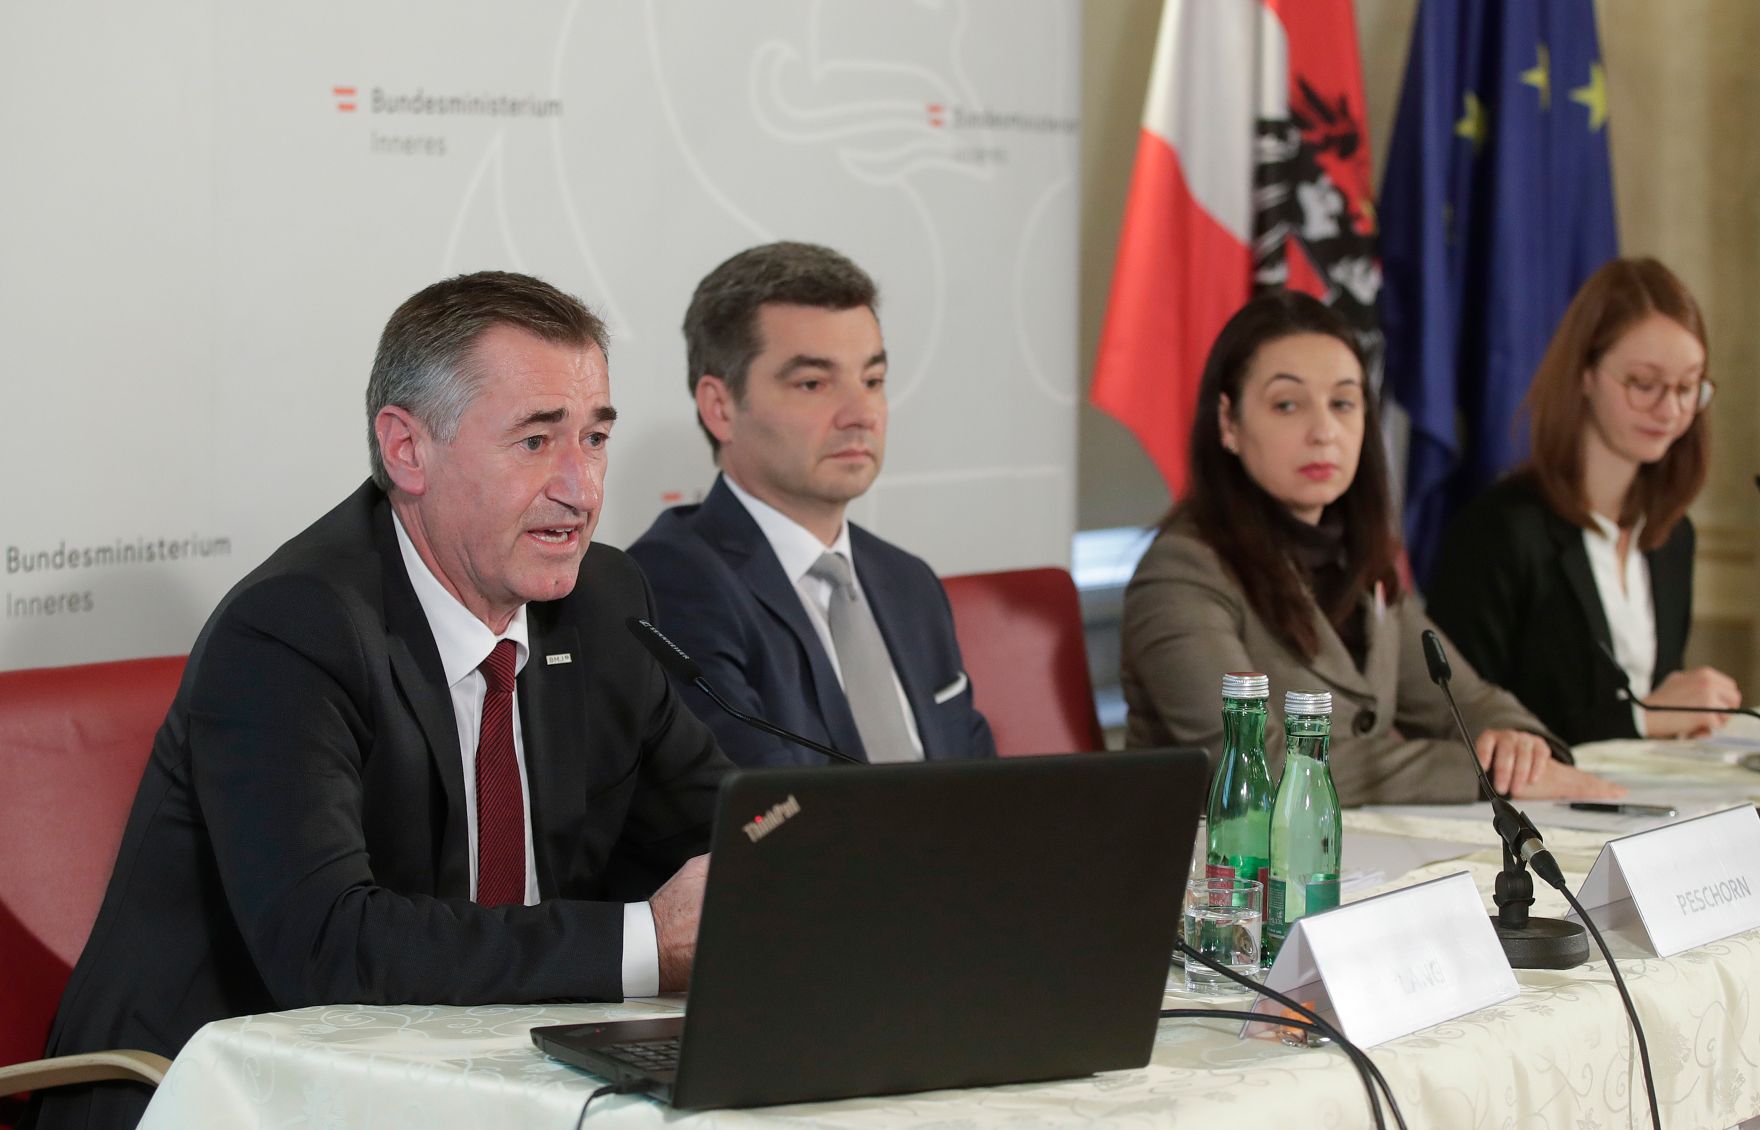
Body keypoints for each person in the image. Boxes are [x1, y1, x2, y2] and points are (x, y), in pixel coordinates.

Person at [31, 272, 730, 1130]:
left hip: (483, 1075)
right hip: (216, 1089)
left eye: (593, 438)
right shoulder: (293, 629)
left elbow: (724, 832)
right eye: (535, 442)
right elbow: (327, 945)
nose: (581, 489)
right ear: (407, 450)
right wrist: (642, 947)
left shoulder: (604, 601)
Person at [1120, 291, 1623, 806]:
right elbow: (1257, 767)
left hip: (1345, 860)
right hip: (1214, 874)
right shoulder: (1182, 572)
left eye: (1343, 403)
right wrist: (1481, 774)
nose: (1324, 432)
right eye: (1287, 405)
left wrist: (1518, 746)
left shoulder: (1358, 563)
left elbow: (1467, 700)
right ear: (1228, 422)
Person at [628, 242, 994, 767]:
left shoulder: (908, 582)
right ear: (721, 407)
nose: (860, 413)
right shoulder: (674, 582)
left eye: (872, 381)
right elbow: (770, 812)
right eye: (814, 383)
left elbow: (987, 789)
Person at [1428, 258, 1741, 744]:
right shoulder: (1500, 529)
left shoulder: (1674, 536)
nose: (1671, 409)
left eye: (1686, 387)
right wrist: (1643, 718)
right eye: (1644, 384)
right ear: (1585, 375)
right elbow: (1457, 724)